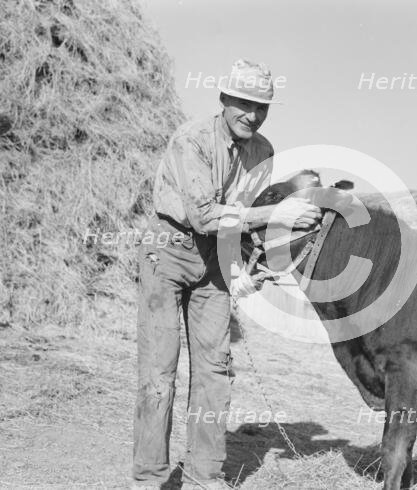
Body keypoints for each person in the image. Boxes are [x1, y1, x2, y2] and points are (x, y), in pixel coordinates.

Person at [132, 59, 321, 489]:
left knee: (215, 369)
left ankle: (205, 475)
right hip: (169, 253)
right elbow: (202, 217)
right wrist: (280, 212)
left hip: (216, 261)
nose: (252, 115)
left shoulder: (263, 151)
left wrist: (247, 266)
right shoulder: (192, 140)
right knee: (160, 371)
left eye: (262, 107)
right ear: (223, 100)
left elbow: (248, 219)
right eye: (244, 103)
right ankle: (149, 478)